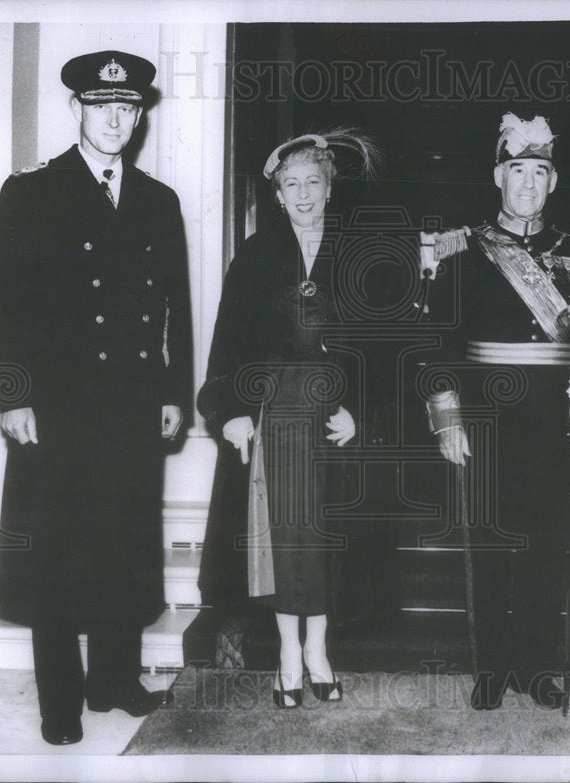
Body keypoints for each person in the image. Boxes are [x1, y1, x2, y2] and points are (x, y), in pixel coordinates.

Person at [0, 51, 193, 745]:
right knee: (57, 553)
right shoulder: (32, 192)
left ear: (138, 116)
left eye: (127, 108)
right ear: (77, 109)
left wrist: (174, 392)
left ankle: (115, 679)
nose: (114, 119)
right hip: (58, 407)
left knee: (124, 543)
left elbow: (177, 310)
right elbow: (2, 306)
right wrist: (12, 395)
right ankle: (61, 702)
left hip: (133, 402)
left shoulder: (158, 201)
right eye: (102, 106)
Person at [421, 112, 570, 710]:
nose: (528, 182)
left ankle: (538, 666)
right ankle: (490, 666)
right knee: (488, 541)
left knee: (548, 543)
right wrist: (447, 415)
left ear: (552, 182)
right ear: (497, 176)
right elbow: (436, 342)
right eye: (517, 170)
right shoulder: (463, 250)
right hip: (485, 415)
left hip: (556, 416)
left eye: (540, 171)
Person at [197, 130, 377, 707]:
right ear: (277, 194)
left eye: (313, 183)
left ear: (330, 188)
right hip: (270, 413)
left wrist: (362, 414)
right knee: (277, 538)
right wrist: (229, 412)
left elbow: (381, 344)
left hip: (332, 417)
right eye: (291, 184)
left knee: (319, 536)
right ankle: (286, 654)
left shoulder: (359, 253)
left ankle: (319, 649)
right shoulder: (253, 254)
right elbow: (226, 343)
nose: (303, 194)